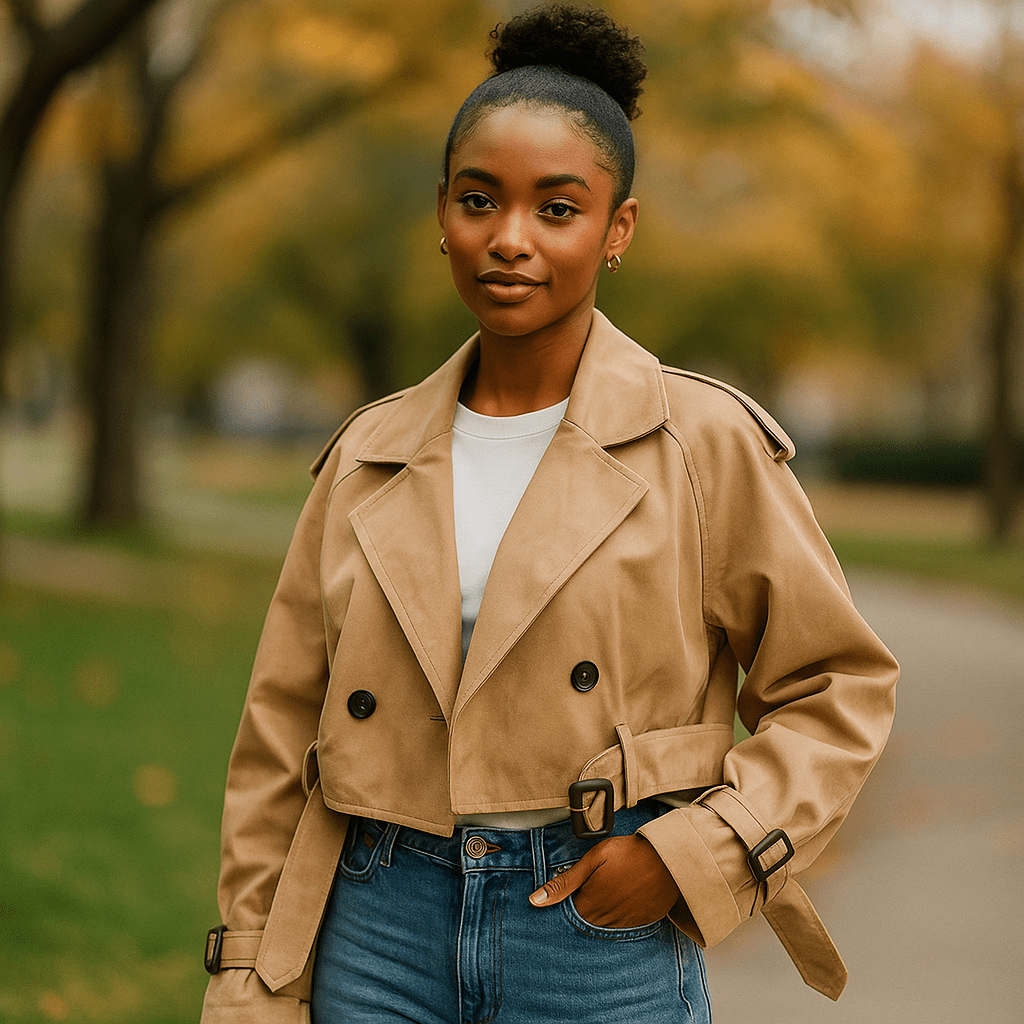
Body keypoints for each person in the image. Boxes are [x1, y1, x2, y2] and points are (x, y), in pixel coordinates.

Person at [200, 5, 898, 1022]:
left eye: (556, 208)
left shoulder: (699, 443)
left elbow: (837, 686)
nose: (509, 240)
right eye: (479, 200)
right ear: (441, 212)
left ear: (618, 228)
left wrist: (688, 853)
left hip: (596, 929)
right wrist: (248, 971)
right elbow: (277, 734)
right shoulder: (367, 453)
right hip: (374, 923)